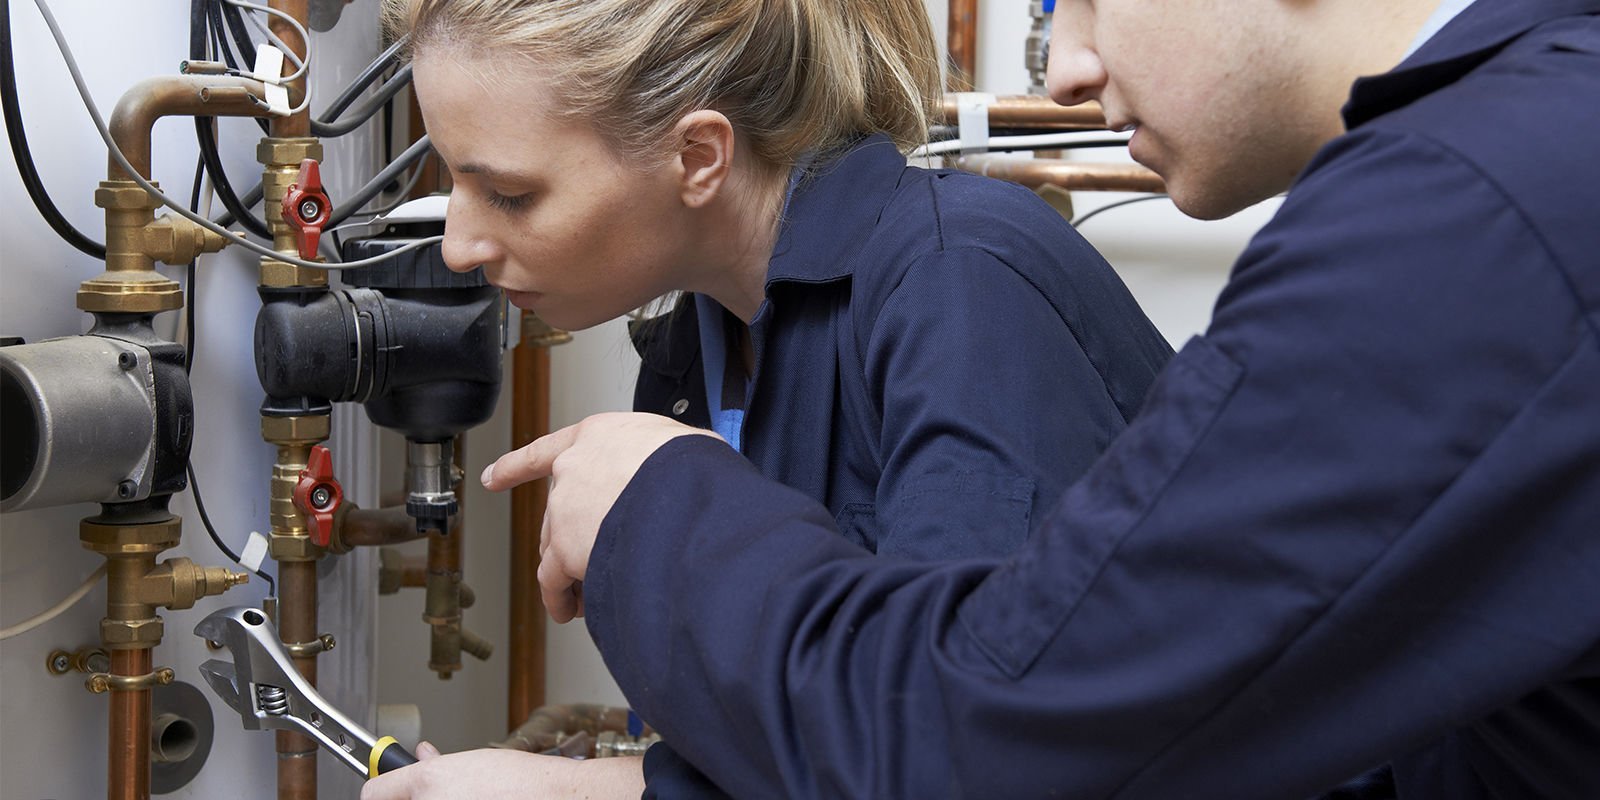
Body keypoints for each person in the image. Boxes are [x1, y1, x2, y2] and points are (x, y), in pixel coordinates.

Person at [391, 0, 1600, 797]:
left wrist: (657, 504)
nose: (1068, 70)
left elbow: (984, 742)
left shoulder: (1479, 202)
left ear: (699, 154)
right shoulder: (1509, 162)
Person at [363, 0, 1173, 797]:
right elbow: (782, 755)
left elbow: (959, 758)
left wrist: (582, 789)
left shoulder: (961, 286)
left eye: (507, 194)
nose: (458, 246)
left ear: (699, 155)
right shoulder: (693, 358)